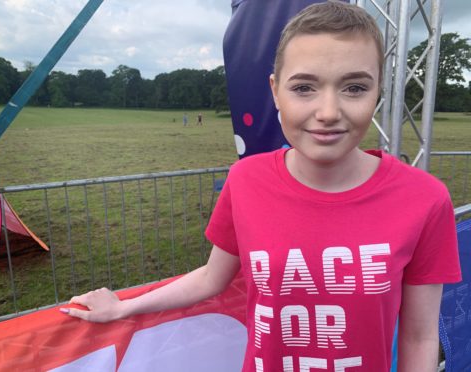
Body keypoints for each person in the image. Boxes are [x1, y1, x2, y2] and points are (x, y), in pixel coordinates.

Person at [60, 2, 461, 371]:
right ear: (275, 91)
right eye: (304, 87)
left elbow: (420, 335)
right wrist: (122, 307)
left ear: (378, 92)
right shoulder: (247, 180)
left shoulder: (423, 199)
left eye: (354, 87)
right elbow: (209, 278)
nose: (327, 112)